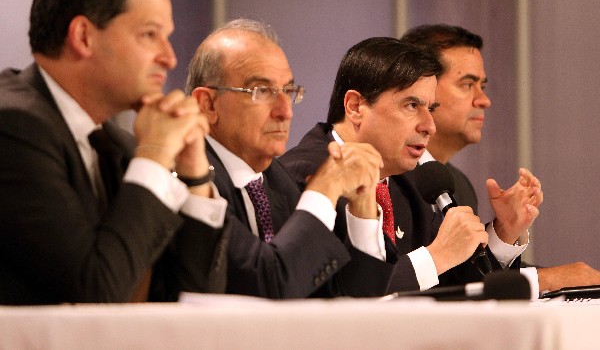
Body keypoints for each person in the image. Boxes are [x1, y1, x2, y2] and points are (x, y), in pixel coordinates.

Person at [0, 0, 228, 305]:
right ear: (84, 37)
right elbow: (94, 293)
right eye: (150, 35)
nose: (170, 58)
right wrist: (154, 156)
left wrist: (194, 175)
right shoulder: (13, 126)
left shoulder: (116, 145)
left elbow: (193, 302)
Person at [281, 36, 542, 293]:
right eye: (412, 105)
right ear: (355, 106)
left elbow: (454, 282)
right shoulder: (306, 177)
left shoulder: (407, 184)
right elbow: (339, 294)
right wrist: (436, 256)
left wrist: (504, 232)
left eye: (431, 108)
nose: (429, 126)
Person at [184, 18, 402, 298]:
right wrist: (323, 190)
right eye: (261, 91)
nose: (285, 111)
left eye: (288, 91)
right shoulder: (192, 179)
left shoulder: (277, 180)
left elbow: (353, 297)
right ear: (208, 104)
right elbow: (267, 286)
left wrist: (361, 209)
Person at [401, 23, 600, 294]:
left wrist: (503, 231)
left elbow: (462, 276)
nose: (484, 100)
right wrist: (545, 280)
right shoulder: (386, 176)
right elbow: (401, 285)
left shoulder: (457, 184)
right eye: (467, 84)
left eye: (482, 86)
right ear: (423, 87)